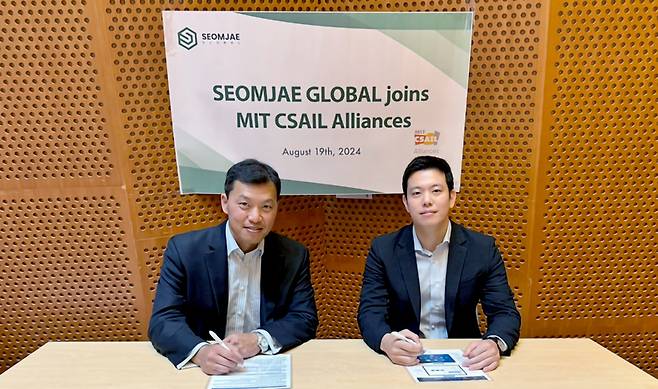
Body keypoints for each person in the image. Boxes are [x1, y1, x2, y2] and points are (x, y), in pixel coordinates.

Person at [149, 159, 318, 375]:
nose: (255, 217)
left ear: (276, 207)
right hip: (202, 371)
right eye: (244, 205)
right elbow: (163, 320)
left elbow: (304, 317)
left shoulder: (294, 254)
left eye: (266, 207)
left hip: (265, 365)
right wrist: (201, 353)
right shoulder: (185, 250)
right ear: (225, 203)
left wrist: (258, 340)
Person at [357, 156, 520, 372]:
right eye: (416, 193)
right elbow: (370, 311)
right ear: (405, 203)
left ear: (452, 197)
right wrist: (386, 341)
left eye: (436, 191)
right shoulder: (383, 249)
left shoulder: (481, 248)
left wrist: (494, 343)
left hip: (465, 358)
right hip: (406, 359)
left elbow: (504, 312)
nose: (426, 200)